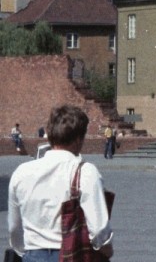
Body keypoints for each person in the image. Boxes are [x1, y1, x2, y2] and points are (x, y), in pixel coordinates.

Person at [8, 105, 114, 261]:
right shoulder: (85, 172)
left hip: (33, 254)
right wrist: (107, 250)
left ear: (50, 134)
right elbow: (99, 230)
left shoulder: (21, 173)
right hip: (71, 254)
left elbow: (14, 228)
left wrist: (25, 252)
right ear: (79, 139)